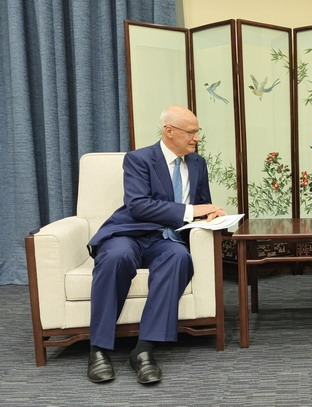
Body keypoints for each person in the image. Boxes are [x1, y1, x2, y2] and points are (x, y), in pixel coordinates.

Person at [85, 105, 226, 384]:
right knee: (115, 257)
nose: (196, 138)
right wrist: (192, 211)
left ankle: (144, 349)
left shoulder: (197, 163)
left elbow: (201, 203)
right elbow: (138, 205)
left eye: (197, 132)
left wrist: (211, 214)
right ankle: (98, 349)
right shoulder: (139, 159)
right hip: (130, 234)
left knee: (179, 258)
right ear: (169, 131)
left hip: (167, 239)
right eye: (191, 132)